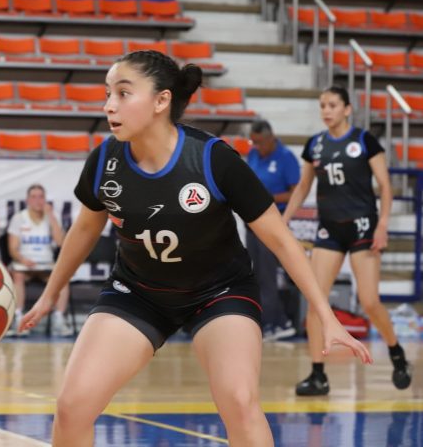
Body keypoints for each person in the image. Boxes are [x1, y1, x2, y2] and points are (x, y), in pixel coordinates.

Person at [19, 50, 372, 447]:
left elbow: (281, 240)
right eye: (107, 94)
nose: (109, 106)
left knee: (239, 403)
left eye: (122, 93)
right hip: (138, 293)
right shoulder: (105, 161)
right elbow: (84, 229)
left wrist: (326, 315)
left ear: (161, 100)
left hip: (219, 293)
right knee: (72, 407)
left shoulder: (212, 159)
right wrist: (49, 294)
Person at [282, 85, 411, 397]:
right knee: (316, 301)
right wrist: (283, 222)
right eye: (322, 105)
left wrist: (383, 225)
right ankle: (318, 374)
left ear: (347, 109)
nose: (326, 111)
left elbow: (385, 186)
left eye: (332, 105)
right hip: (329, 228)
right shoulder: (315, 144)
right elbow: (303, 186)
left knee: (369, 301)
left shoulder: (364, 141)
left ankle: (396, 352)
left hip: (363, 226)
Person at [246, 119, 300, 340]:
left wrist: (268, 198)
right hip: (252, 222)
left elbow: (296, 193)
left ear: (271, 138)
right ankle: (263, 320)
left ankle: (277, 322)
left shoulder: (286, 157)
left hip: (273, 222)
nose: (256, 146)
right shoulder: (252, 154)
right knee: (255, 273)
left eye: (260, 142)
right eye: (253, 142)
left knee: (268, 275)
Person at [8, 184, 72, 337]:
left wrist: (51, 216)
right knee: (17, 275)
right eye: (34, 197)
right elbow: (12, 248)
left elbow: (61, 242)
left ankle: (58, 319)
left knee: (63, 278)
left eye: (41, 197)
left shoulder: (51, 217)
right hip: (25, 264)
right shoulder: (19, 218)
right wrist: (23, 259)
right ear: (27, 200)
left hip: (46, 264)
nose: (38, 200)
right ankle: (18, 317)